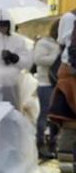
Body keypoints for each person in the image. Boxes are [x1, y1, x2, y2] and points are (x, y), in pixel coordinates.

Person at [48, 9, 76, 173]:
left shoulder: (69, 17)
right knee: (69, 126)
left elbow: (63, 43)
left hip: (68, 73)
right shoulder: (70, 17)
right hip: (70, 74)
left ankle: (66, 167)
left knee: (69, 126)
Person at [33, 20, 60, 159]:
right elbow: (37, 59)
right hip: (45, 83)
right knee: (44, 115)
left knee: (57, 117)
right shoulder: (45, 43)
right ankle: (40, 143)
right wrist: (57, 55)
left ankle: (53, 144)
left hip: (58, 83)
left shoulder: (61, 43)